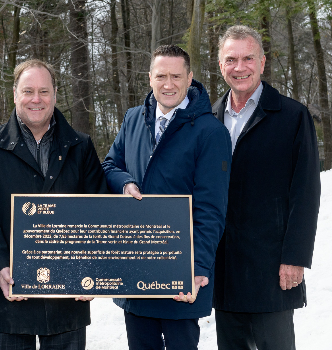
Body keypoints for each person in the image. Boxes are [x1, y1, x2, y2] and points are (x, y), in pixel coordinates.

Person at [0, 59, 108, 350]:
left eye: (44, 91)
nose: (36, 99)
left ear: (54, 94)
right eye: (28, 91)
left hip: (68, 298)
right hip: (10, 294)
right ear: (15, 93)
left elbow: (99, 209)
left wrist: (92, 268)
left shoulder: (80, 146)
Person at [102, 45, 231, 350]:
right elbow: (110, 165)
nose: (168, 84)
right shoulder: (133, 119)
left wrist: (198, 266)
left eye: (176, 76)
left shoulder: (210, 132)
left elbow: (211, 208)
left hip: (178, 274)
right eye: (161, 76)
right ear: (150, 78)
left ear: (190, 78)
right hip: (135, 270)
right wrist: (125, 183)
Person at [212, 25, 321, 350]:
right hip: (224, 270)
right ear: (221, 66)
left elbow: (306, 195)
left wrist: (295, 258)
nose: (239, 67)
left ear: (262, 62)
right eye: (231, 59)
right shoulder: (208, 118)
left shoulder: (291, 117)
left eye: (248, 58)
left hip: (271, 270)